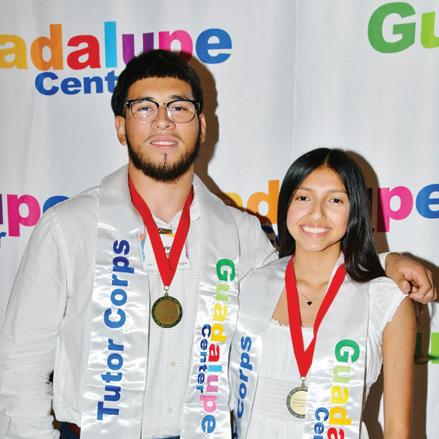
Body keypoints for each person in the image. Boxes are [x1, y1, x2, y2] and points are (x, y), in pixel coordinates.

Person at [0, 51, 434, 439]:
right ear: (120, 126)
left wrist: (385, 262)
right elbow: (21, 365)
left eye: (179, 107)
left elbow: (308, 274)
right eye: (144, 108)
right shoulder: (69, 228)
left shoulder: (239, 233)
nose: (164, 120)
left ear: (202, 126)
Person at [230, 148, 417, 439]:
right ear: (286, 203)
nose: (316, 213)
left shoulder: (386, 302)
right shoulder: (249, 283)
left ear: (355, 210)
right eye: (303, 198)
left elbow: (398, 430)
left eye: (335, 200)